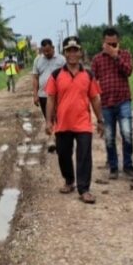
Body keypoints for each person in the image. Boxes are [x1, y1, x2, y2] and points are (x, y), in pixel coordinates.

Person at [45, 36, 104, 204]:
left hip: (83, 123)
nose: (72, 54)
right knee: (63, 154)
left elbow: (95, 99)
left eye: (75, 50)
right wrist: (49, 121)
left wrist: (100, 120)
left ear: (80, 52)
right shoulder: (56, 75)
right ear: (64, 53)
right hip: (63, 123)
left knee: (84, 155)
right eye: (69, 51)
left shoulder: (88, 75)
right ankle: (69, 181)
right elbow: (50, 98)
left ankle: (84, 189)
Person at [90, 27, 133, 181]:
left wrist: (116, 56)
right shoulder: (97, 59)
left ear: (118, 42)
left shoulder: (125, 55)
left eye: (114, 44)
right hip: (106, 103)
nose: (111, 46)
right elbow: (92, 81)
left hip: (123, 100)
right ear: (103, 42)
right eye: (109, 44)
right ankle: (113, 166)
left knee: (127, 134)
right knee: (109, 137)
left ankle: (128, 165)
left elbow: (128, 71)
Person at [32, 38, 66, 152]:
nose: (47, 53)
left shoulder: (61, 59)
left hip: (59, 94)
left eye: (48, 51)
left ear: (53, 48)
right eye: (44, 51)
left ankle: (56, 138)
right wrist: (35, 94)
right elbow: (35, 77)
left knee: (58, 116)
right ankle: (52, 138)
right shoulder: (38, 60)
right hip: (43, 95)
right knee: (48, 117)